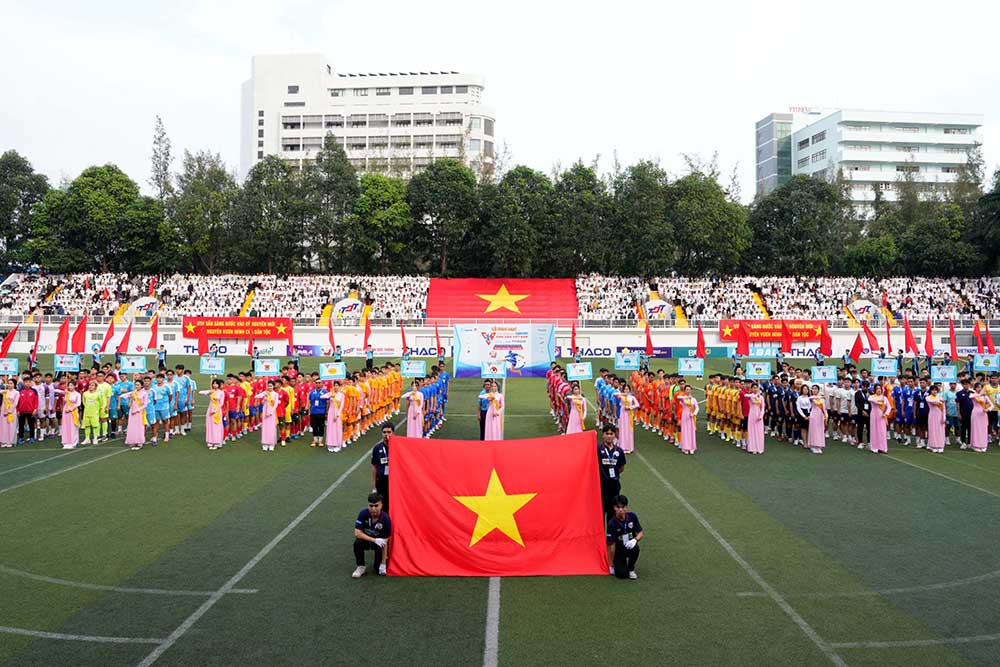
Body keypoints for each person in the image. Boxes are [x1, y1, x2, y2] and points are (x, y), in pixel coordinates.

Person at [606, 495, 643, 580]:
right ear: (614, 508)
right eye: (617, 507)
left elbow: (640, 533)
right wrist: (610, 564)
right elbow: (612, 545)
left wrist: (635, 540)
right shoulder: (612, 523)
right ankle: (619, 565)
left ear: (626, 507)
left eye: (623, 507)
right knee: (621, 574)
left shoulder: (632, 516)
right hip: (619, 550)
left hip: (629, 546)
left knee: (636, 548)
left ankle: (631, 569)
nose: (620, 510)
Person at [597, 425, 626, 518]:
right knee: (600, 512)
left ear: (615, 435)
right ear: (603, 435)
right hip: (601, 485)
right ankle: (600, 533)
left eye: (611, 434)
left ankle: (610, 532)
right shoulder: (597, 449)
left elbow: (621, 467)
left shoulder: (619, 451)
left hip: (614, 485)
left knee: (612, 512)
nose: (609, 436)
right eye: (607, 434)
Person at [199, 379, 226, 450]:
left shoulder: (221, 392)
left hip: (216, 411)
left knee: (216, 426)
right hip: (210, 409)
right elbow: (200, 392)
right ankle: (210, 441)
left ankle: (217, 442)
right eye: (213, 384)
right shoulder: (212, 392)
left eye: (216, 384)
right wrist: (208, 392)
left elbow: (221, 403)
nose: (215, 385)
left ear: (219, 385)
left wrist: (215, 410)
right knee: (210, 425)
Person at [371, 424, 392, 513]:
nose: (386, 434)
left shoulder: (398, 447)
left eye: (389, 432)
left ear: (393, 433)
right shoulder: (377, 448)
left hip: (394, 483)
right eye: (384, 432)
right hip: (381, 482)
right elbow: (374, 467)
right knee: (382, 507)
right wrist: (374, 487)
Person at [614, 383, 639, 453]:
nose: (626, 390)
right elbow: (614, 394)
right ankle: (622, 446)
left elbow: (637, 405)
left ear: (629, 390)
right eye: (625, 389)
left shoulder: (632, 397)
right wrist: (623, 394)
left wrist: (630, 407)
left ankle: (629, 447)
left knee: (629, 430)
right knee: (622, 429)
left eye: (627, 389)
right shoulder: (621, 396)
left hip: (629, 414)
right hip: (622, 414)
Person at [257, 380, 280, 452]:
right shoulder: (265, 393)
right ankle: (265, 443)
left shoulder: (276, 394)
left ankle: (271, 444)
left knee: (272, 428)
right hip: (265, 412)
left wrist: (270, 412)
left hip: (271, 413)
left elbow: (276, 404)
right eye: (268, 386)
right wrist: (264, 397)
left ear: (273, 387)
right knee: (265, 428)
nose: (269, 387)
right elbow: (257, 397)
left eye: (271, 386)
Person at [125, 380, 147, 450]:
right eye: (136, 385)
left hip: (139, 412)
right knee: (132, 426)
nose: (137, 386)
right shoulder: (133, 392)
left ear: (141, 385)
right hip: (132, 411)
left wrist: (137, 410)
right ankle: (133, 441)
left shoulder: (144, 393)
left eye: (138, 385)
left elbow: (145, 404)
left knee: (139, 426)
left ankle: (140, 442)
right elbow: (126, 395)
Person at [868, 383, 891, 454]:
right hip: (874, 415)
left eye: (880, 389)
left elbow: (889, 407)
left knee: (882, 431)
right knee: (874, 431)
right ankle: (874, 447)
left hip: (882, 416)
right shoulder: (872, 397)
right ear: (874, 390)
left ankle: (883, 447)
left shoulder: (885, 398)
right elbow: (870, 400)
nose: (879, 390)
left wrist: (886, 413)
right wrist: (880, 401)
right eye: (877, 388)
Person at [322, 382, 345, 452]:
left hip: (337, 413)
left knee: (337, 429)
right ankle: (330, 444)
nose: (336, 387)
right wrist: (329, 396)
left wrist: (337, 414)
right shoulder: (331, 393)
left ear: (339, 386)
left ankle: (338, 444)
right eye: (335, 385)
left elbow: (342, 406)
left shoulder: (341, 395)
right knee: (330, 429)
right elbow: (322, 397)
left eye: (337, 386)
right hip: (330, 413)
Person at [80, 381, 103, 445]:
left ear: (95, 387)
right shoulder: (85, 393)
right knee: (87, 426)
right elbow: (84, 402)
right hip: (87, 412)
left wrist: (99, 410)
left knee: (95, 426)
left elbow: (101, 403)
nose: (90, 386)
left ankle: (95, 438)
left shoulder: (98, 394)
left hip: (95, 412)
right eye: (90, 385)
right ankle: (87, 439)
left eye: (92, 385)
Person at [678, 386, 699, 455]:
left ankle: (692, 447)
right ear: (684, 391)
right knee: (685, 431)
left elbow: (697, 408)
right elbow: (678, 397)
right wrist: (686, 397)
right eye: (687, 390)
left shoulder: (693, 399)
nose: (688, 391)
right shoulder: (683, 399)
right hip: (685, 415)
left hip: (691, 416)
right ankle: (685, 447)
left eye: (689, 389)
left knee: (691, 431)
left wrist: (694, 414)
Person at [970, 382, 990, 453]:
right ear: (975, 388)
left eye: (981, 387)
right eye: (978, 387)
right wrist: (981, 394)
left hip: (983, 414)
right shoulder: (974, 394)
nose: (979, 388)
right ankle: (975, 445)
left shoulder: (985, 396)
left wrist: (987, 409)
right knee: (976, 429)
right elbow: (971, 397)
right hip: (975, 413)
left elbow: (992, 405)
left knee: (983, 429)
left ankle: (983, 445)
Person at [926, 384, 946, 453]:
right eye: (933, 390)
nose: (934, 391)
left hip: (939, 415)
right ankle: (933, 445)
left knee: (940, 430)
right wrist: (940, 401)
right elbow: (932, 401)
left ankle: (941, 445)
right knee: (933, 430)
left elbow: (943, 408)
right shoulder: (928, 397)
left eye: (935, 390)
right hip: (932, 415)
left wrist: (944, 416)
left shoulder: (940, 397)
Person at [807, 385, 827, 454]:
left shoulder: (822, 399)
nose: (814, 390)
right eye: (813, 389)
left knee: (820, 430)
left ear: (818, 390)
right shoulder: (812, 397)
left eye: (816, 389)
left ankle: (819, 445)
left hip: (820, 415)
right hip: (813, 415)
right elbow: (811, 398)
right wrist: (821, 397)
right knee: (813, 430)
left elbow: (824, 408)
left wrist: (826, 416)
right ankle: (813, 445)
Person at [308, 380, 328, 447]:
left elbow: (328, 403)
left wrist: (326, 411)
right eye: (316, 383)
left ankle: (320, 441)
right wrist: (309, 411)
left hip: (321, 412)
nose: (318, 384)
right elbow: (310, 402)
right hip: (313, 412)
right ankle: (315, 440)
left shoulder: (325, 392)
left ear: (322, 384)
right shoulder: (312, 392)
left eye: (319, 383)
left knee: (321, 426)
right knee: (314, 426)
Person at [746, 383, 765, 455]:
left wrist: (761, 415)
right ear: (751, 389)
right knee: (752, 431)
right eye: (753, 388)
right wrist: (754, 396)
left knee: (759, 432)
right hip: (752, 415)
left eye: (756, 388)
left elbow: (762, 407)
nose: (755, 389)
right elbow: (745, 395)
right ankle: (752, 448)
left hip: (759, 416)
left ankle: (759, 448)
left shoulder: (761, 397)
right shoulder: (751, 396)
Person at [0, 379, 19, 447]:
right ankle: (3, 441)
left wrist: (9, 411)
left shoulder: (16, 393)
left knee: (11, 426)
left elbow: (15, 403)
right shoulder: (5, 391)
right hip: (3, 409)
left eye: (11, 383)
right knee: (3, 426)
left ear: (14, 384)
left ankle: (10, 441)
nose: (9, 385)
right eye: (8, 383)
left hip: (11, 411)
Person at [854, 381, 871, 449]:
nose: (865, 388)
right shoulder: (857, 393)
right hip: (860, 413)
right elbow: (857, 403)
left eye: (866, 386)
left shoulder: (871, 393)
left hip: (869, 413)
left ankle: (869, 442)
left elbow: (872, 403)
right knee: (860, 428)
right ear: (862, 386)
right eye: (864, 386)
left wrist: (868, 412)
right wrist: (862, 411)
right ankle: (860, 442)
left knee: (869, 428)